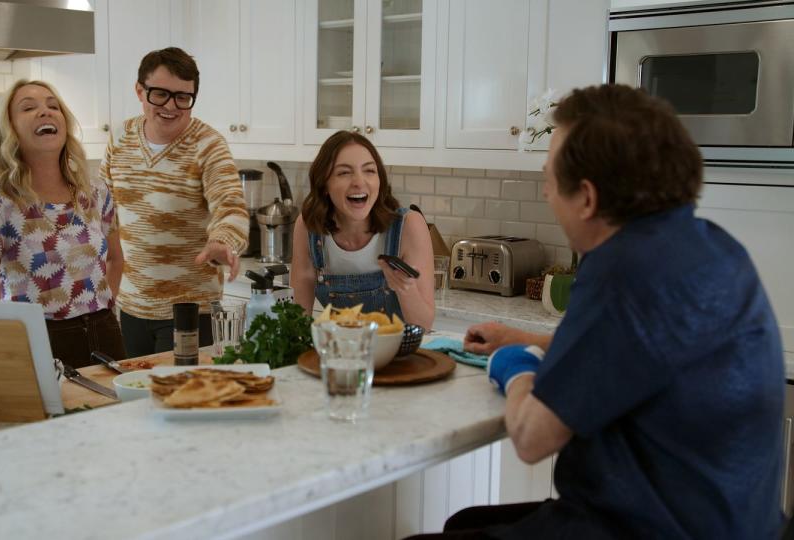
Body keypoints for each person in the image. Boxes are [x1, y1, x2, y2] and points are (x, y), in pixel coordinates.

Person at [409, 84, 786, 539]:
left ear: (586, 198)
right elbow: (637, 354)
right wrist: (523, 338)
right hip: (743, 524)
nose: (546, 191)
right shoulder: (715, 249)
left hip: (646, 528)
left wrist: (515, 366)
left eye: (549, 178)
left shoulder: (621, 267)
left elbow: (532, 438)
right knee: (465, 523)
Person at [0, 79, 126, 369]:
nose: (45, 112)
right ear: (9, 129)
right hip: (37, 340)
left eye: (53, 106)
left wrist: (100, 307)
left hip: (104, 336)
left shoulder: (96, 192)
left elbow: (115, 259)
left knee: (112, 413)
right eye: (28, 108)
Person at [100, 47, 249, 356]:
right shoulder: (120, 137)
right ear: (140, 90)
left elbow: (230, 205)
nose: (171, 106)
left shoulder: (209, 145)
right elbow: (102, 208)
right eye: (160, 94)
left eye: (183, 97)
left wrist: (223, 241)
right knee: (137, 397)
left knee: (183, 398)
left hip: (190, 310)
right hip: (129, 305)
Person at [291, 131, 435, 330]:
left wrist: (406, 289)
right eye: (344, 172)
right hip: (343, 354)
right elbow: (298, 319)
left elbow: (424, 326)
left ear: (379, 179)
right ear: (325, 184)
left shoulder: (409, 226)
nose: (359, 181)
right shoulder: (308, 227)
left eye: (369, 171)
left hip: (400, 356)